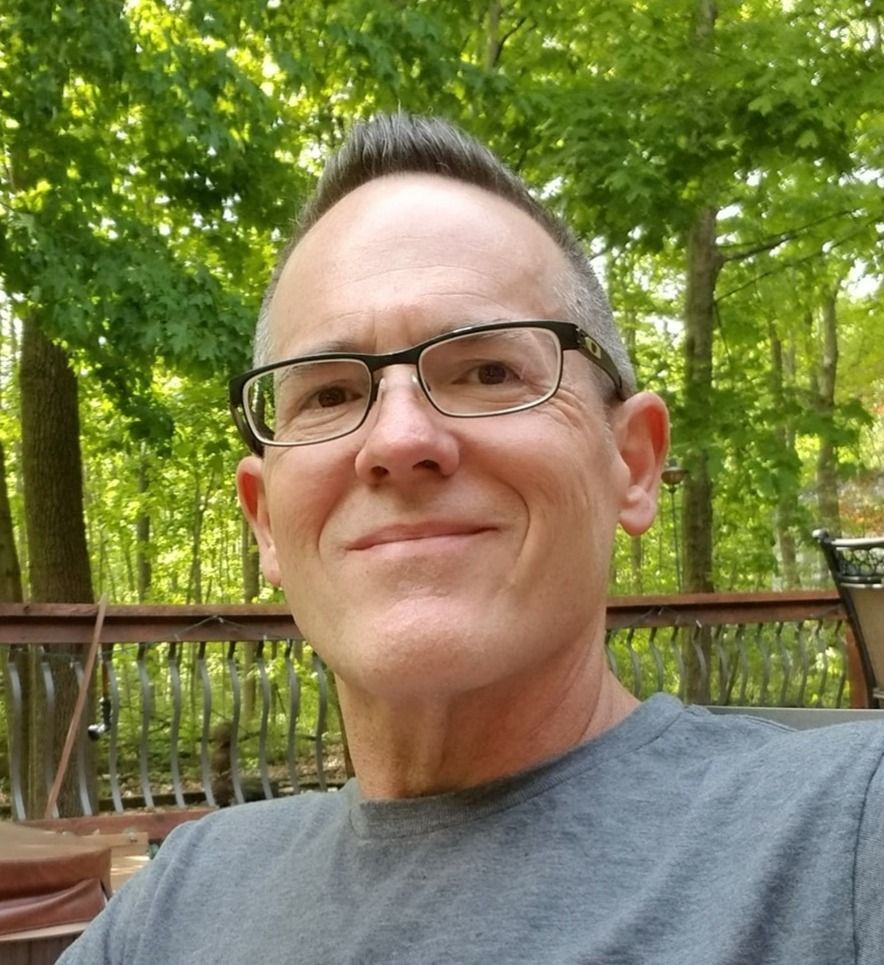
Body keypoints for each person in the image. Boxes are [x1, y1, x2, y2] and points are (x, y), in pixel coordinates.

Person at [60, 114, 883, 965]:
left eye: (489, 372)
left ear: (632, 464)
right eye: (331, 394)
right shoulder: (178, 901)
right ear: (265, 518)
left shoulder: (846, 836)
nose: (397, 439)